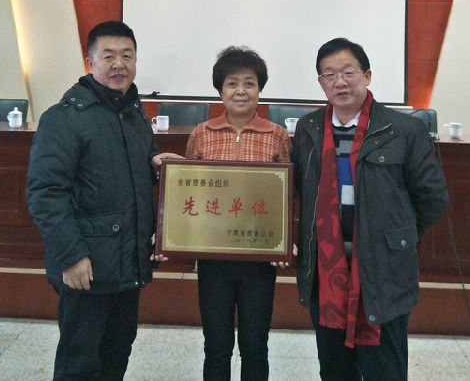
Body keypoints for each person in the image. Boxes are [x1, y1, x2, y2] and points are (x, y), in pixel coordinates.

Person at [26, 20, 181, 381]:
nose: (119, 64)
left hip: (127, 262)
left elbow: (123, 166)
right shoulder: (65, 118)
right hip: (87, 266)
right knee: (80, 362)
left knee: (116, 354)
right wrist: (71, 256)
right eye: (108, 56)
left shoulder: (132, 112)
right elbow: (45, 192)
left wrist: (153, 163)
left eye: (127, 55)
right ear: (90, 62)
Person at [291, 37, 449, 381]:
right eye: (329, 74)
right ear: (321, 83)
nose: (340, 82)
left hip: (383, 274)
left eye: (348, 72)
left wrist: (397, 236)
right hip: (326, 276)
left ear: (367, 75)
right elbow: (300, 191)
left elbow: (432, 197)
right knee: (334, 370)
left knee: (385, 371)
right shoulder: (309, 129)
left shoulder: (403, 129)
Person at [184, 46, 292, 381]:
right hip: (213, 259)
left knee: (255, 345)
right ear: (220, 90)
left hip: (258, 258)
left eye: (249, 83)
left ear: (260, 89)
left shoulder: (276, 135)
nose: (241, 91)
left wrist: (284, 240)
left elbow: (287, 195)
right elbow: (188, 192)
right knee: (216, 345)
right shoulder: (201, 134)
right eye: (232, 83)